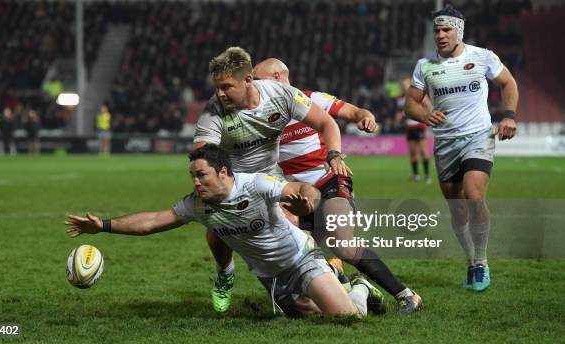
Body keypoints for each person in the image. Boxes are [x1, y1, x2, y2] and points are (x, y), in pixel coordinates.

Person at [65, 144, 378, 318]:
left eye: (201, 175)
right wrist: (103, 227)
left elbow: (304, 189)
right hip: (270, 277)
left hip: (301, 260)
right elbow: (151, 223)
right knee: (305, 315)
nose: (196, 183)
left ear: (224, 172)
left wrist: (306, 206)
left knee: (346, 319)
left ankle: (360, 287)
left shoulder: (255, 184)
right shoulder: (198, 205)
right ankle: (338, 285)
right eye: (193, 177)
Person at [249, 58, 422, 313]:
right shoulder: (261, 115)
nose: (254, 86)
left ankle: (406, 294)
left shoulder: (310, 100)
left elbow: (354, 112)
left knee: (342, 244)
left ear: (277, 78)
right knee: (302, 256)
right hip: (296, 194)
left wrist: (365, 118)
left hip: (329, 179)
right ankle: (357, 289)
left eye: (257, 80)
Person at [193, 47, 352, 312]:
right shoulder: (213, 112)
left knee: (291, 222)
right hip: (234, 180)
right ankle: (225, 274)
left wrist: (334, 154)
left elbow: (327, 123)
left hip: (270, 175)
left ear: (248, 81)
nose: (220, 94)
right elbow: (201, 153)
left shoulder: (280, 94)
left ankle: (328, 277)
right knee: (216, 233)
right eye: (217, 87)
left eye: (226, 87)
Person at [404, 5, 518, 292]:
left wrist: (509, 116)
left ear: (459, 30)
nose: (440, 35)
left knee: (474, 196)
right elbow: (410, 104)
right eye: (436, 30)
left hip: (478, 136)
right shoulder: (424, 66)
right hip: (445, 143)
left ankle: (481, 261)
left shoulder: (482, 56)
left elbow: (508, 83)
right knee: (457, 211)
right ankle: (471, 261)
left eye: (446, 29)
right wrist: (423, 115)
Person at [397, 77, 431, 183]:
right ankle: (416, 175)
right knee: (412, 152)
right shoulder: (400, 98)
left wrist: (425, 117)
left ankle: (427, 176)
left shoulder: (418, 94)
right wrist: (398, 118)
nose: (403, 87)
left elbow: (429, 106)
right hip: (409, 127)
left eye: (405, 85)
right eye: (402, 86)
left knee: (423, 151)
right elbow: (399, 112)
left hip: (419, 126)